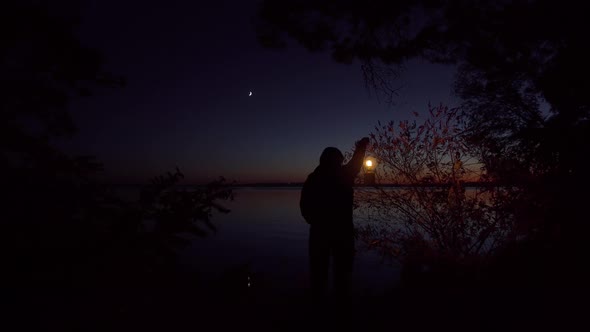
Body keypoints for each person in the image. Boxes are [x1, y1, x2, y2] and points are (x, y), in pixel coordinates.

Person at [300, 137, 369, 302]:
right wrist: (361, 146)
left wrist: (314, 221)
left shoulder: (314, 177)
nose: (339, 161)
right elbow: (357, 162)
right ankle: (338, 308)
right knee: (338, 273)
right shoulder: (343, 174)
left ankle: (324, 305)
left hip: (322, 232)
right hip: (338, 232)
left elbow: (304, 206)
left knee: (322, 273)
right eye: (338, 158)